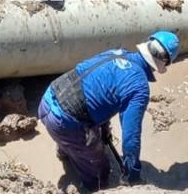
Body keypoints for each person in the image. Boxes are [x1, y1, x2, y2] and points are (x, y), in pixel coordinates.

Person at [38, 31, 180, 191]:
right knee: (101, 172)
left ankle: (66, 151)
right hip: (64, 123)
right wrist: (132, 175)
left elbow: (95, 88)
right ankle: (87, 180)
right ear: (165, 63)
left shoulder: (116, 52)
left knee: (85, 138)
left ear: (147, 44)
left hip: (47, 100)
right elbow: (130, 138)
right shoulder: (139, 87)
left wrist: (104, 129)